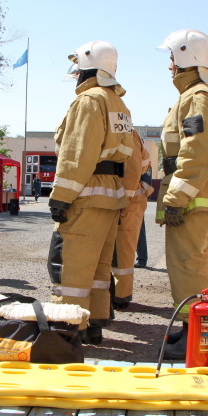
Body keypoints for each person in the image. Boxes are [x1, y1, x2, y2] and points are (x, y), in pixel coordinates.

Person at [47, 40, 133, 345]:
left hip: (85, 193)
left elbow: (77, 154)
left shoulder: (89, 101)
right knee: (97, 268)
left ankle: (67, 330)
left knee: (69, 265)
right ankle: (94, 324)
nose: (76, 77)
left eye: (78, 71)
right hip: (110, 196)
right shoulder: (118, 103)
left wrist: (61, 197)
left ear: (88, 69)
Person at [155, 29, 208, 360]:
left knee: (188, 265)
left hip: (193, 195)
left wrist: (176, 197)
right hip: (201, 190)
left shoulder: (198, 96)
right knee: (194, 263)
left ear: (186, 57)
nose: (169, 66)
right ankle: (194, 330)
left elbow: (196, 152)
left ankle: (194, 337)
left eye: (172, 58)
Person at [111, 130, 153, 310]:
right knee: (119, 251)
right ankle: (116, 294)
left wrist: (124, 201)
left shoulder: (126, 132)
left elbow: (134, 168)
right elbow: (143, 165)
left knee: (124, 251)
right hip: (127, 201)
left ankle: (121, 296)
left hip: (127, 203)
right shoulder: (129, 132)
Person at [134, 167, 153, 269]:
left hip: (136, 200)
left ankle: (142, 259)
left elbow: (147, 184)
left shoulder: (143, 157)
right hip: (121, 197)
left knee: (139, 228)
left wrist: (140, 196)